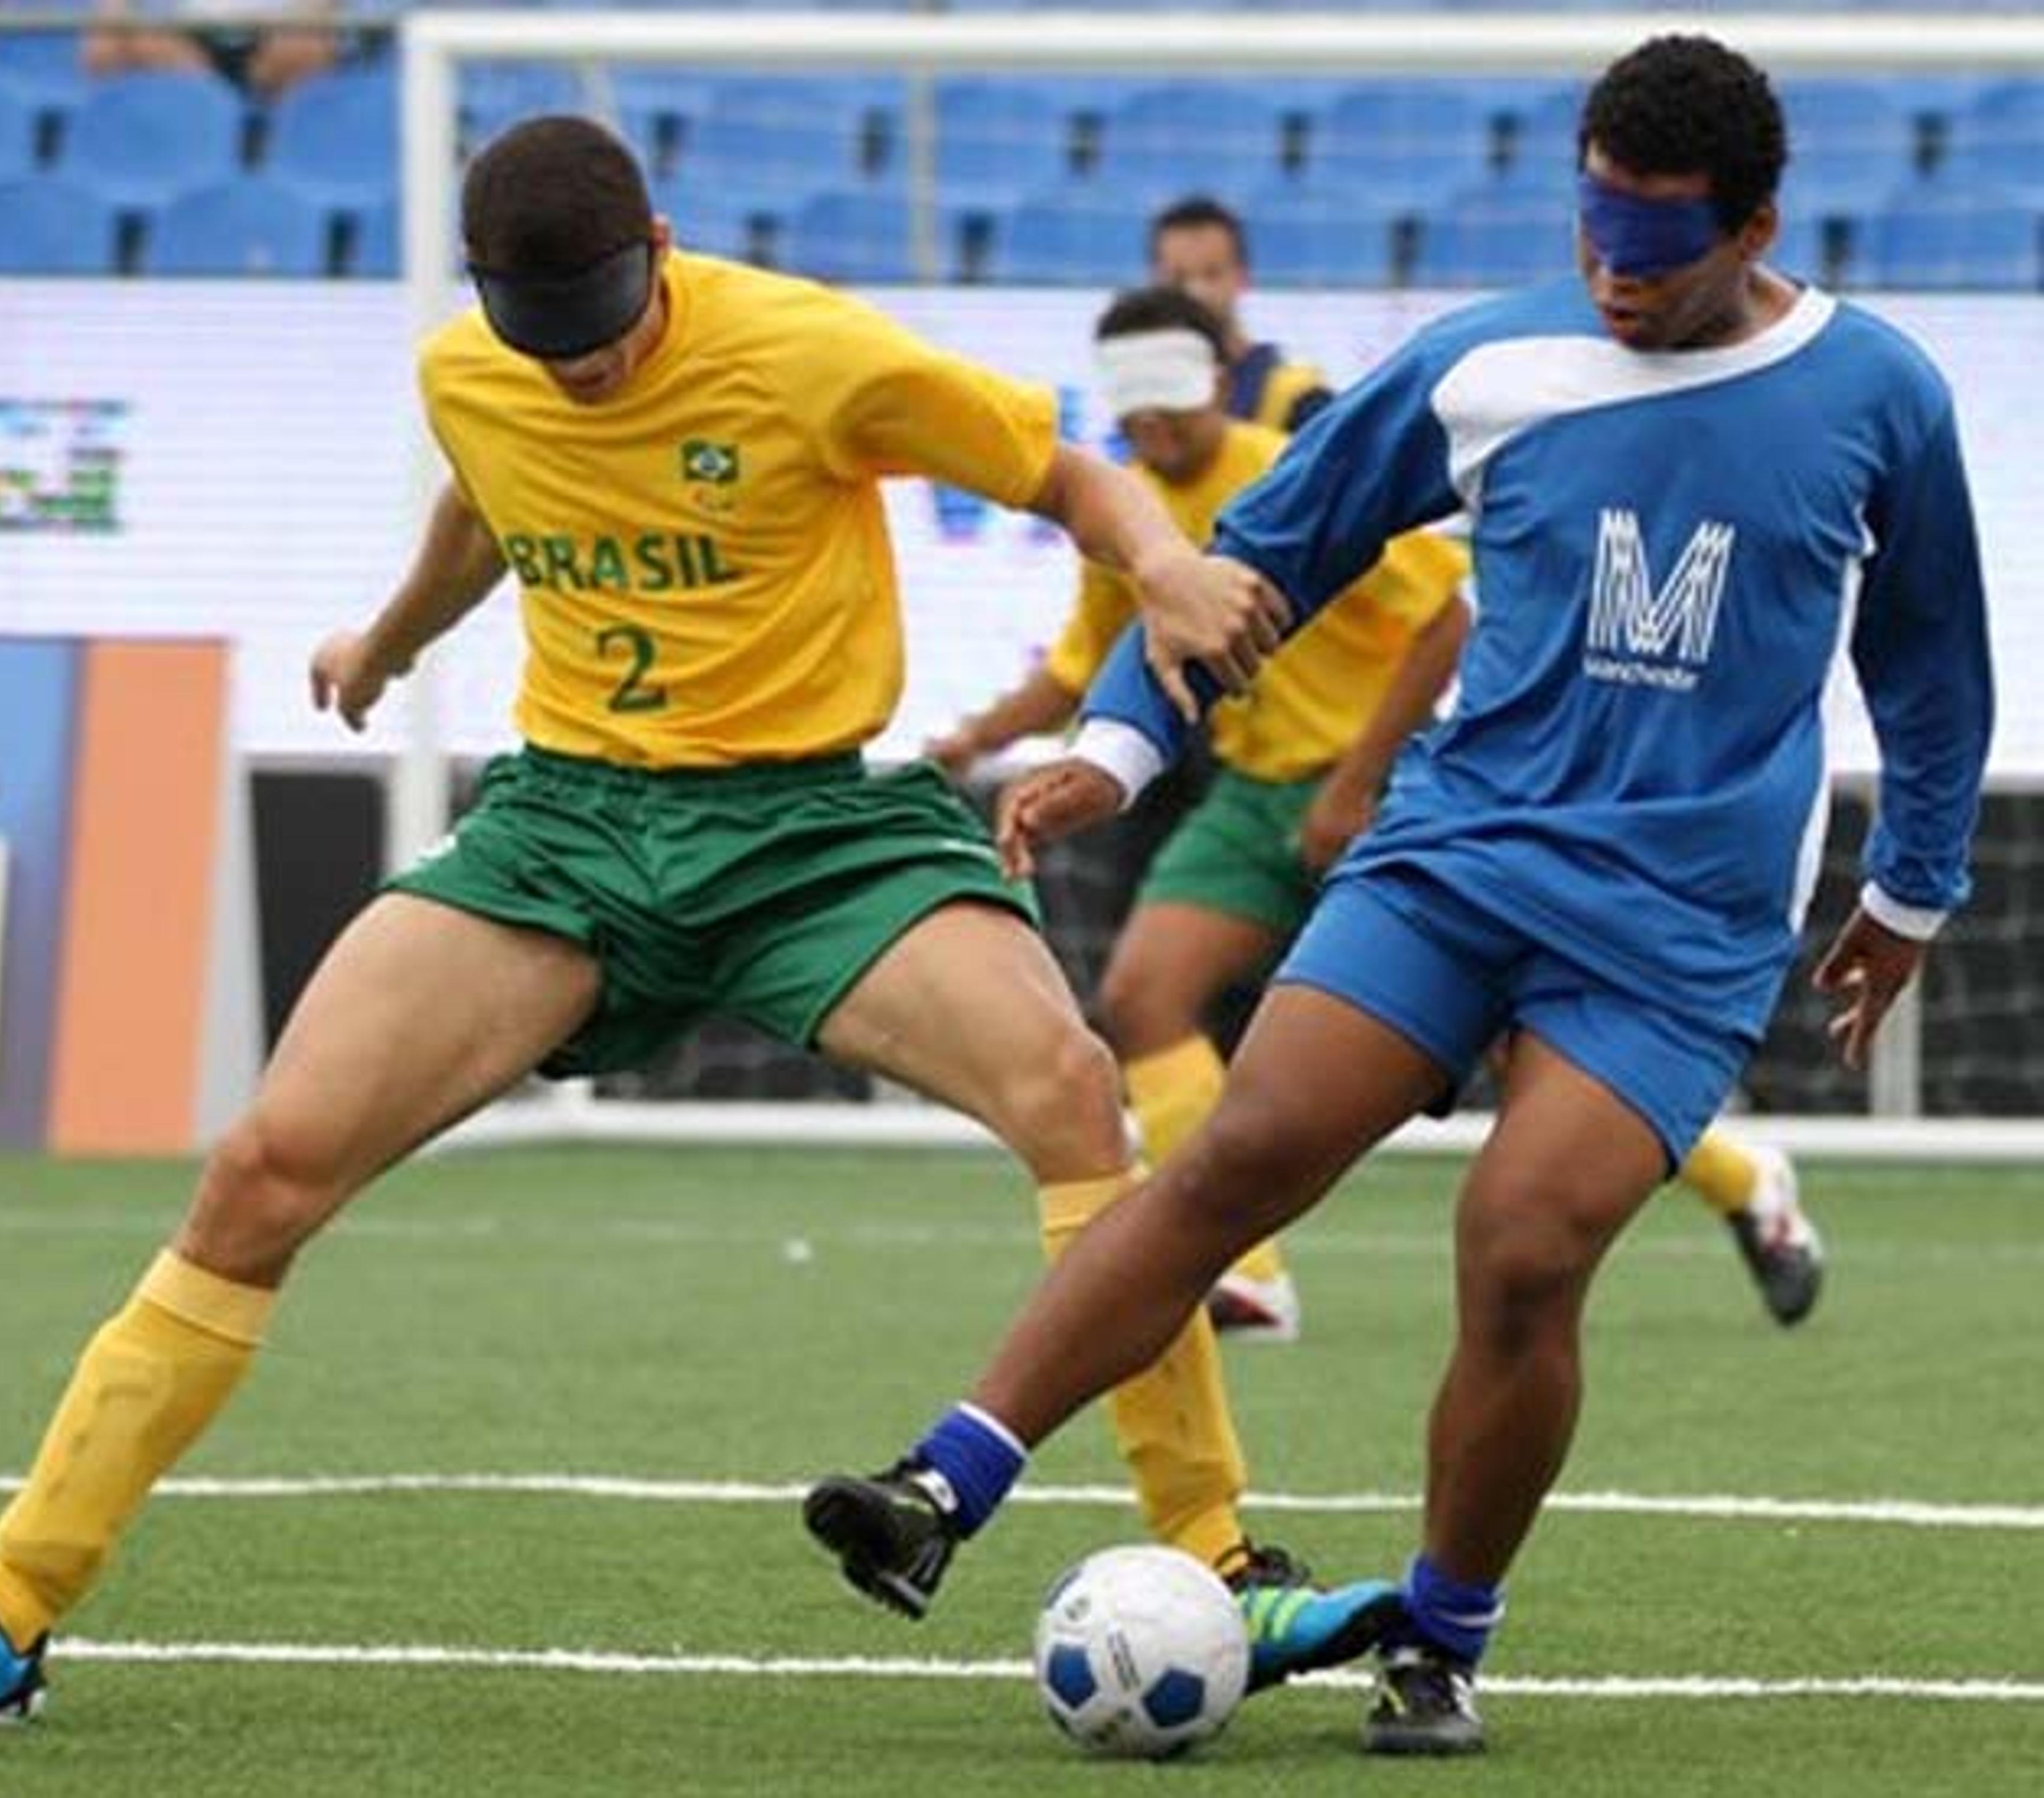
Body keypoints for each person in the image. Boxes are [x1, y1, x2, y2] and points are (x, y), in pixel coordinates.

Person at [0, 114, 1382, 1727]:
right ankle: (4, 1608)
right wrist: (389, 641)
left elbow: (1070, 471)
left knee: (1073, 1091)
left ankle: (1225, 1565)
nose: (583, 372)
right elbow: (488, 508)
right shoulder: (476, 369)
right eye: (548, 343)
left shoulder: (812, 353)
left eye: (606, 334)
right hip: (569, 833)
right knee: (265, 1164)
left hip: (815, 829)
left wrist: (1167, 566)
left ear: (660, 247)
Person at [805, 34, 1990, 1759]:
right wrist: (1124, 749)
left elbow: (1935, 659)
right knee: (1238, 1151)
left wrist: (1916, 888)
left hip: (1676, 927)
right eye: (1594, 234)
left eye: (1657, 253)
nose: (1616, 277)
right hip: (1455, 858)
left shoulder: (1879, 393)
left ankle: (1438, 1635)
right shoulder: (1483, 362)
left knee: (1519, 1247)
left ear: (1756, 230)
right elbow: (1261, 553)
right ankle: (943, 1480)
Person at [929, 283, 1474, 1342]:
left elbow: (1443, 619)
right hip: (1255, 791)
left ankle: (1745, 1183)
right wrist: (978, 741)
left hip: (1386, 784)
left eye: (1172, 398)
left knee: (1513, 1028)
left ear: (1222, 380)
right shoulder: (1121, 509)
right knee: (1141, 996)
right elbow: (1090, 667)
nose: (1154, 424)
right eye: (1133, 406)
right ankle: (1250, 1275)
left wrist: (1357, 782)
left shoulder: (1291, 471)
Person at [1149, 195, 1333, 432]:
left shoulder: (1299, 399)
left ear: (1242, 277)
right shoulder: (1144, 403)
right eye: (1178, 278)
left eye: (1212, 274)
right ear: (1154, 284)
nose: (1195, 293)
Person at [83, 0, 344, 101]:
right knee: (121, 37)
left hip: (283, 30)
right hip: (188, 39)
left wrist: (308, 21)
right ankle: (208, 102)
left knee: (307, 42)